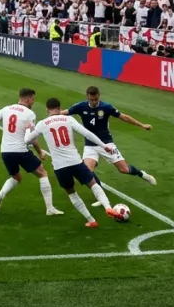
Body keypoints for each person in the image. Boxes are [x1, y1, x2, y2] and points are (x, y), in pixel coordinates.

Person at [24, 97, 123, 227]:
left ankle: (91, 220)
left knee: (71, 192)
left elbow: (27, 140)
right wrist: (104, 146)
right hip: (75, 161)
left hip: (60, 166)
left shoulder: (42, 124)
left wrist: (27, 128)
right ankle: (108, 207)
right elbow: (88, 134)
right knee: (93, 184)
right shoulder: (68, 119)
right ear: (59, 108)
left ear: (47, 109)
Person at [0, 88, 62, 216]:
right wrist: (39, 152)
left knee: (16, 177)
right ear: (27, 99)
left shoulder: (6, 109)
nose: (33, 102)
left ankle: (0, 195)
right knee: (42, 174)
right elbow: (32, 138)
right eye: (33, 99)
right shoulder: (29, 114)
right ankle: (50, 208)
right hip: (21, 150)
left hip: (5, 151)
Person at [63, 86, 157, 186]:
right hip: (90, 144)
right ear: (87, 97)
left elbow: (124, 117)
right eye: (92, 100)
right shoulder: (80, 106)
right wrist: (52, 115)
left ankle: (142, 174)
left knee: (124, 169)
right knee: (87, 172)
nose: (94, 102)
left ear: (99, 96)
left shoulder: (106, 107)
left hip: (106, 143)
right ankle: (100, 195)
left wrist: (142, 125)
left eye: (96, 99)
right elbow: (64, 113)